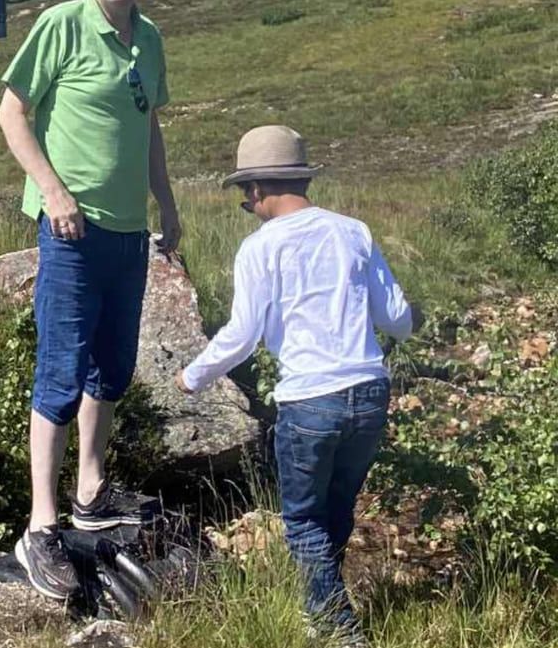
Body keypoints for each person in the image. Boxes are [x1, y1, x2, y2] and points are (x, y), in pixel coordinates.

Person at [0, 0, 180, 601]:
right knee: (61, 370)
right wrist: (53, 192)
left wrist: (167, 203)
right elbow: (11, 111)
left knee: (112, 366)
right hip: (71, 229)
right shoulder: (61, 25)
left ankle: (90, 492)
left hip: (128, 230)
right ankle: (41, 526)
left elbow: (148, 125)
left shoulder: (149, 38)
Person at [176, 125, 417, 645]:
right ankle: (319, 608)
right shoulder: (353, 231)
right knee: (337, 509)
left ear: (257, 188)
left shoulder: (259, 248)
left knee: (303, 521)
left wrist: (192, 377)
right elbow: (397, 319)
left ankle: (338, 630)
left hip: (309, 399)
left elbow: (242, 335)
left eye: (245, 197)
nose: (247, 205)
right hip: (369, 391)